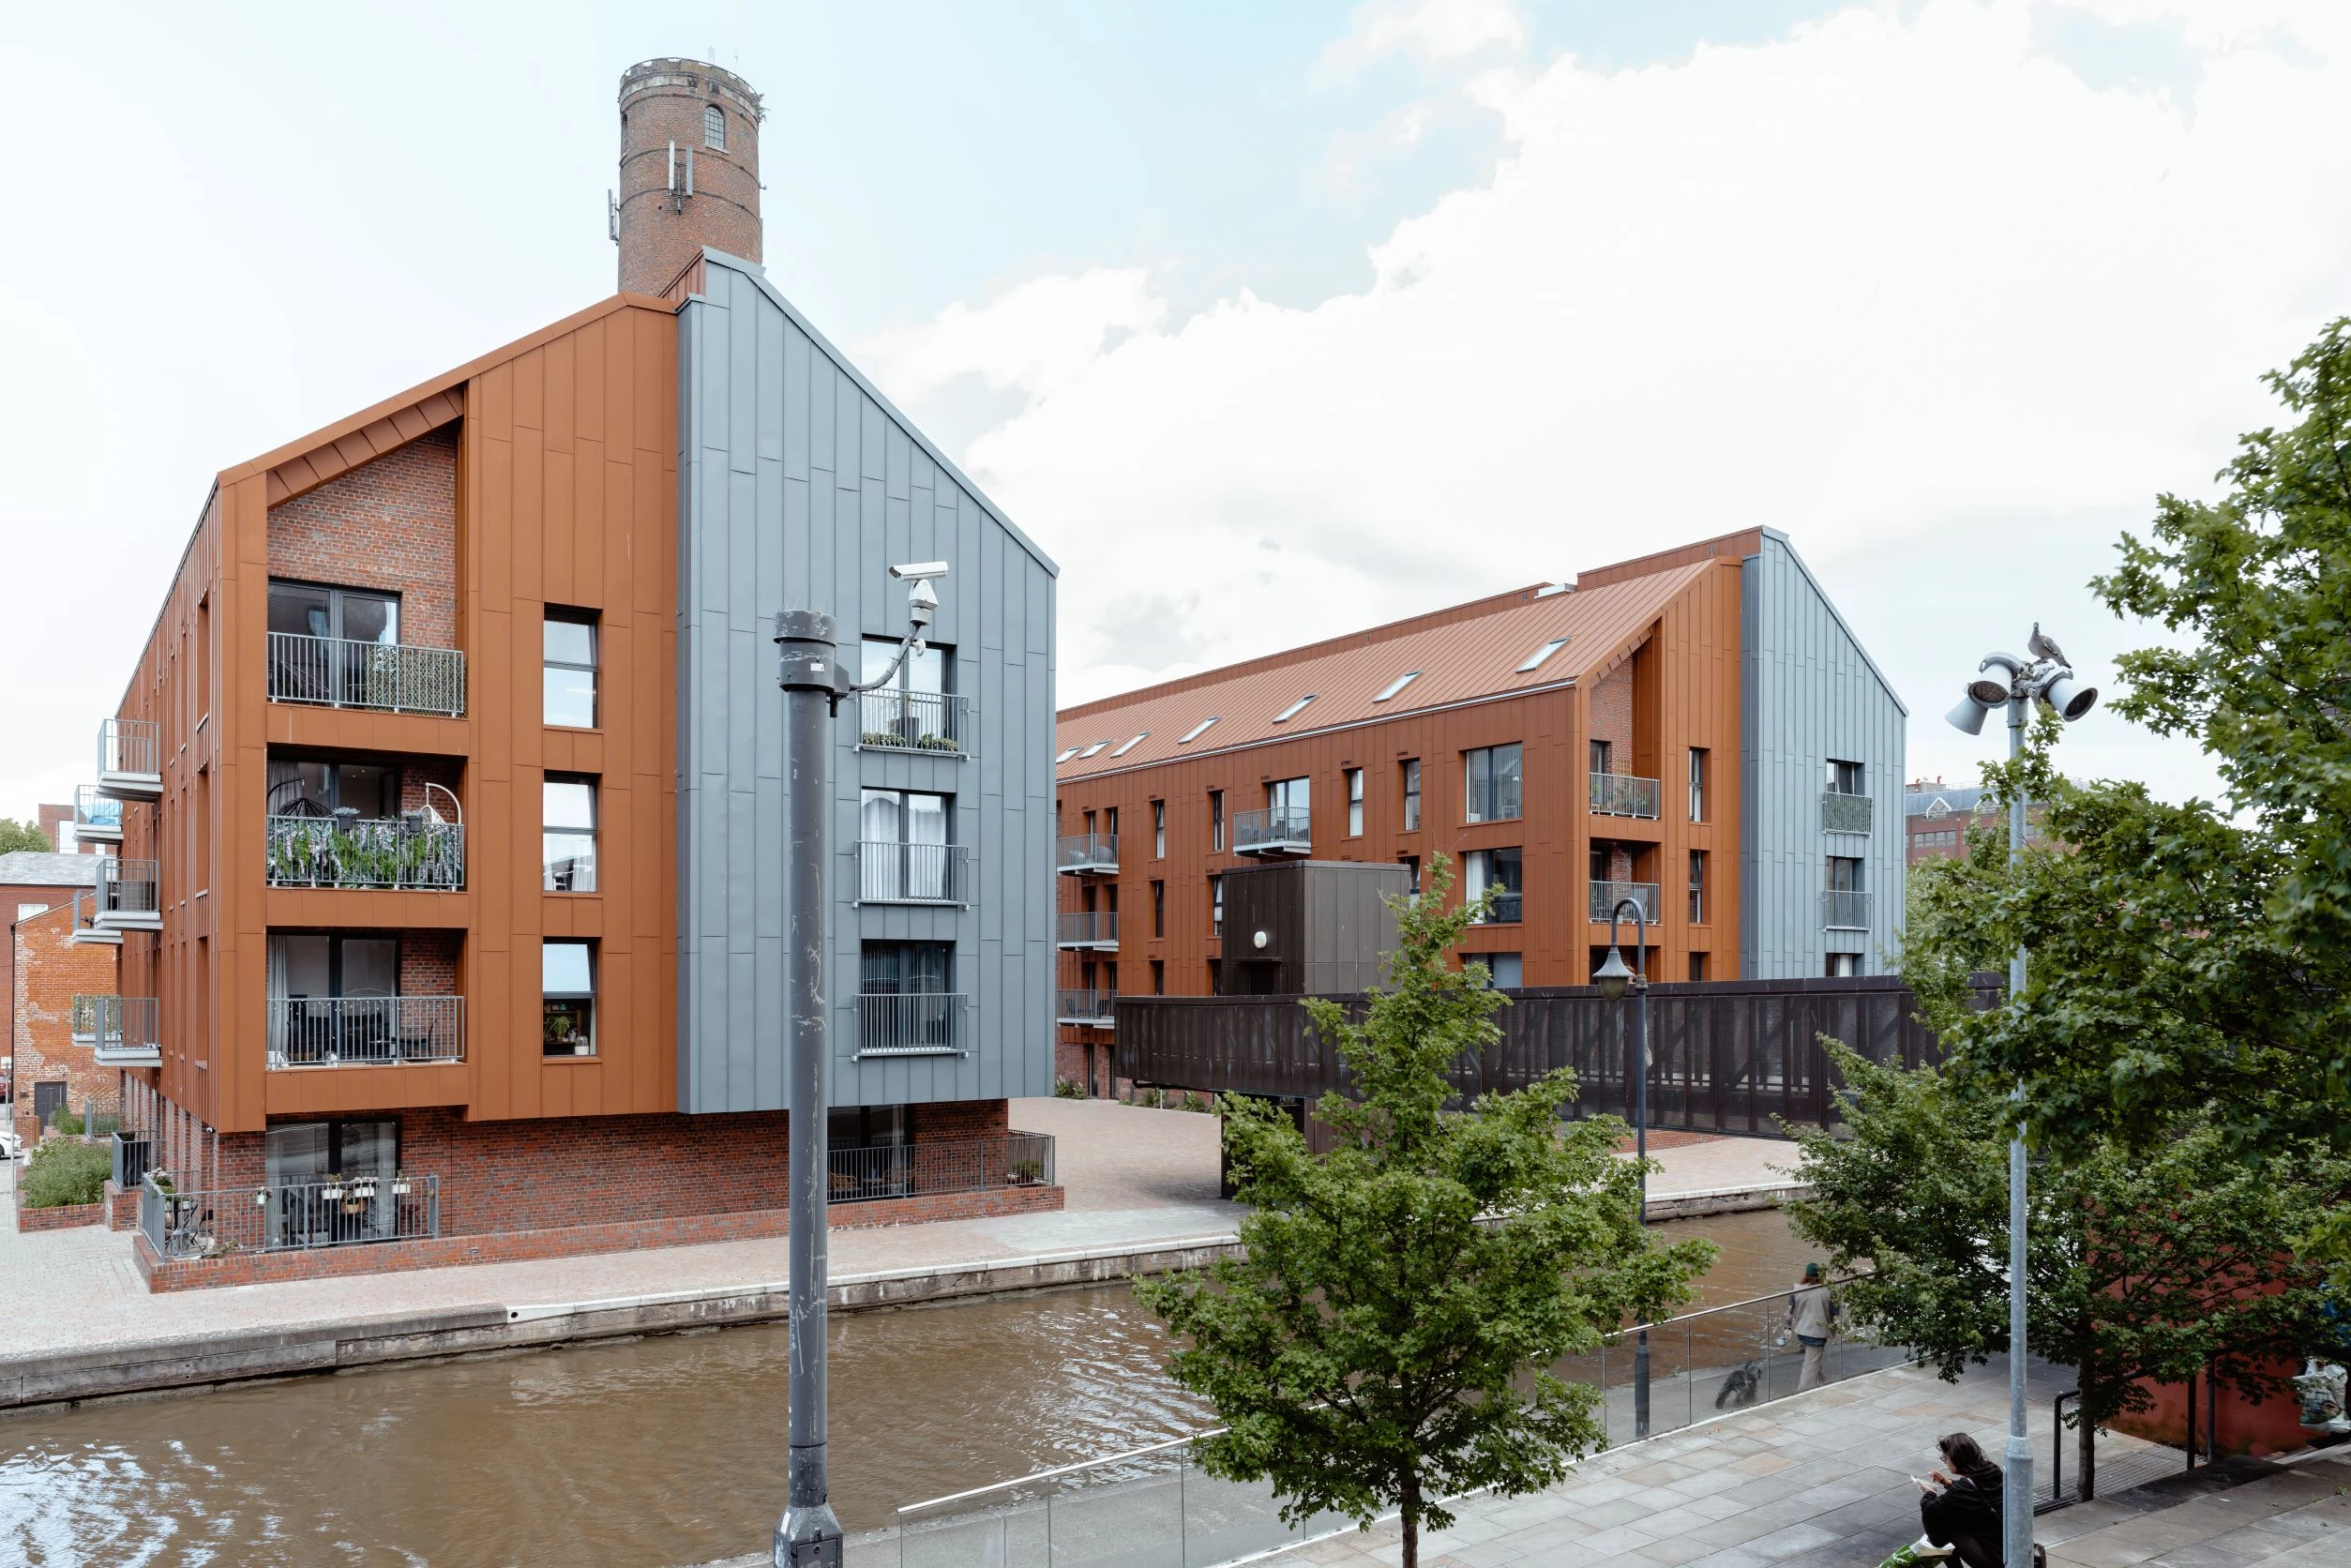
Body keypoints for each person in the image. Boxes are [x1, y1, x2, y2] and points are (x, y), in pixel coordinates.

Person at [1913, 1431, 2005, 1568]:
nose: (1945, 1462)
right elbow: (1976, 1490)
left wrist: (1929, 1493)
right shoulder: (1992, 1470)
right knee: (1949, 1519)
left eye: (1945, 1458)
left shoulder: (1962, 1489)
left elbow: (1930, 1511)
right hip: (2011, 1548)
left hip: (1996, 1559)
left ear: (1956, 1459)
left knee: (1941, 1524)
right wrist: (1948, 1482)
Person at [1787, 1262, 1839, 1391]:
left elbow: (1789, 1312)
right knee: (1810, 1364)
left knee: (1813, 1360)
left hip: (1801, 1331)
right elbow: (1835, 1312)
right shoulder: (1830, 1291)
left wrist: (1787, 1328)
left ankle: (1823, 1383)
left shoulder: (1796, 1288)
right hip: (1817, 1333)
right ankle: (1802, 1394)